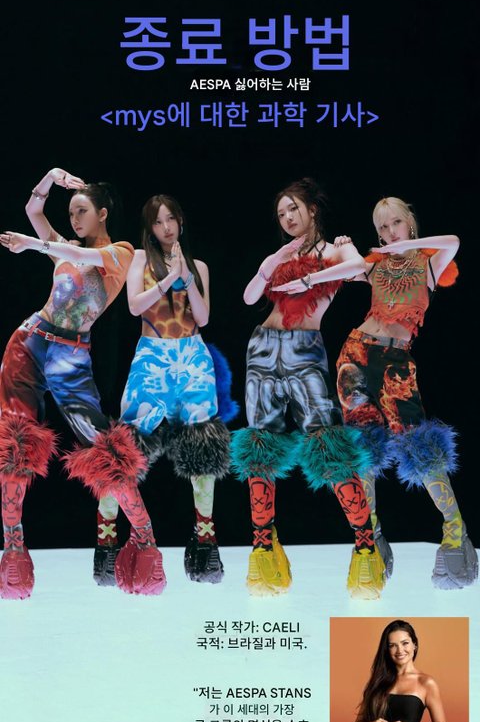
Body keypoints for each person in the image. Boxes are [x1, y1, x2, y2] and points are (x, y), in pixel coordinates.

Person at [0, 167, 164, 599]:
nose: (74, 219)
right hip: (29, 343)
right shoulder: (65, 250)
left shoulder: (121, 253)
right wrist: (50, 178)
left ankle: (145, 540)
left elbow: (72, 251)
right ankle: (13, 550)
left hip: (70, 358)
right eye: (71, 212)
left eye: (81, 211)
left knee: (106, 452)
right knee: (13, 445)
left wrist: (35, 244)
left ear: (102, 214)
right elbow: (33, 210)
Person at [231, 177, 385, 599]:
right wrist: (274, 260)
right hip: (262, 348)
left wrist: (310, 279)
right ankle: (263, 550)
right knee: (259, 448)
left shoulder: (336, 249)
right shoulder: (283, 255)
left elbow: (359, 268)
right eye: (281, 213)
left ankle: (365, 545)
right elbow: (249, 298)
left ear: (312, 209)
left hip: (304, 352)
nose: (287, 218)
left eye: (293, 209)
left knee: (328, 444)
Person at [336, 197, 478, 589]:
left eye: (395, 223)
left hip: (395, 361)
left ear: (409, 222)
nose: (389, 232)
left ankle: (455, 530)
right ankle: (371, 536)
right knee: (363, 449)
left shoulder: (430, 262)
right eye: (382, 228)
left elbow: (453, 241)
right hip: (355, 354)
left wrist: (407, 245)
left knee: (420, 446)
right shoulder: (376, 264)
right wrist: (347, 246)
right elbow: (346, 263)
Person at [107, 193, 233, 583]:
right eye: (159, 221)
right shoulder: (140, 260)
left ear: (181, 222)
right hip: (152, 358)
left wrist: (187, 277)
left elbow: (203, 317)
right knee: (123, 450)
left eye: (171, 219)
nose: (167, 227)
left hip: (193, 358)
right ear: (150, 227)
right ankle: (108, 540)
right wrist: (167, 277)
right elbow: (134, 306)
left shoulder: (200, 266)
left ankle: (205, 541)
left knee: (203, 451)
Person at [355, 619, 446, 722]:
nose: (399, 650)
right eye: (392, 645)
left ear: (414, 645)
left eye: (405, 643)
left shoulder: (426, 682)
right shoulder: (377, 680)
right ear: (387, 649)